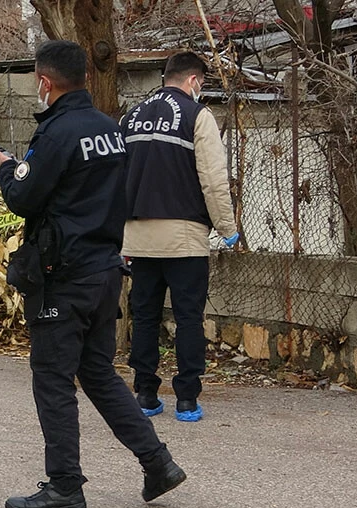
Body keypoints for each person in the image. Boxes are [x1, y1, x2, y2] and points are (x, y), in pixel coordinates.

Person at [0, 41, 184, 508]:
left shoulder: (56, 134)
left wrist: (7, 171)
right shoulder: (109, 130)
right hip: (105, 272)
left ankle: (64, 487)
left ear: (45, 82)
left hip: (65, 276)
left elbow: (24, 198)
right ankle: (157, 463)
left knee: (53, 379)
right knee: (97, 373)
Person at [120, 52, 240, 422]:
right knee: (188, 317)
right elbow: (213, 179)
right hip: (184, 237)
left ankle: (144, 393)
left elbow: (114, 176)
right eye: (201, 83)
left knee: (144, 315)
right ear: (193, 81)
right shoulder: (197, 116)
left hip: (137, 236)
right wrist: (227, 228)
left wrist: (115, 234)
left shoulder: (131, 116)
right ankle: (186, 398)